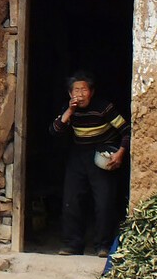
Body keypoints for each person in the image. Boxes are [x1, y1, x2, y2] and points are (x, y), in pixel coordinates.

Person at [49, 70, 129, 257]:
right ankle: (72, 244)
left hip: (102, 154)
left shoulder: (103, 107)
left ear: (91, 92)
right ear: (70, 94)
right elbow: (54, 131)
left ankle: (103, 245)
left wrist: (120, 153)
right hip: (79, 155)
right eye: (76, 91)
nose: (80, 94)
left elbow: (126, 130)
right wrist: (70, 110)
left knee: (104, 201)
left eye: (84, 90)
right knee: (72, 200)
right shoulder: (69, 110)